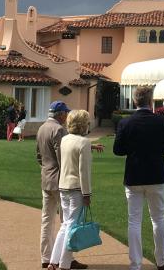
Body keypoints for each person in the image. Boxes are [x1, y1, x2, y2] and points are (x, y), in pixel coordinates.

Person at [113, 86, 164, 270]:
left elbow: (118, 150)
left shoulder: (125, 123)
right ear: (151, 101)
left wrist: (133, 150)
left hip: (134, 175)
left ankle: (135, 264)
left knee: (134, 220)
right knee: (158, 218)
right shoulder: (161, 121)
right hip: (156, 174)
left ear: (134, 101)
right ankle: (161, 260)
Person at [36, 101, 89, 270]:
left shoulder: (42, 128)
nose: (67, 116)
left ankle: (47, 258)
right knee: (67, 222)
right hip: (61, 180)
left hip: (46, 178)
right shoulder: (59, 130)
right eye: (65, 113)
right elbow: (63, 157)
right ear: (59, 114)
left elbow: (39, 155)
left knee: (47, 220)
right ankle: (67, 260)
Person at [47, 109, 94, 270]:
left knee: (65, 225)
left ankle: (54, 261)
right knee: (72, 226)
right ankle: (64, 264)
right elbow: (84, 171)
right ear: (83, 125)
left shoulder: (65, 139)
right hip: (76, 189)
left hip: (63, 186)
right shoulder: (84, 142)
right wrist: (87, 194)